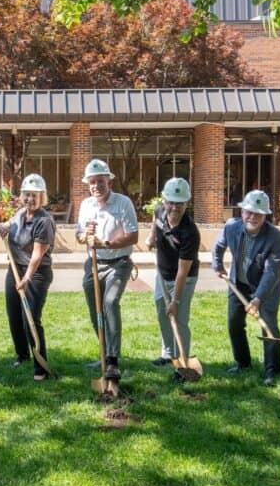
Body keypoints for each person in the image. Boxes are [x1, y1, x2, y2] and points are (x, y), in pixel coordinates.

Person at [212, 190, 280, 386]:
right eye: (249, 212)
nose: (252, 217)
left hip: (267, 289)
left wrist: (258, 298)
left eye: (258, 214)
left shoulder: (276, 238)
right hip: (239, 283)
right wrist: (217, 264)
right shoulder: (231, 227)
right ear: (242, 211)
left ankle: (273, 370)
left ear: (265, 216)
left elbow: (271, 273)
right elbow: (218, 246)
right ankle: (242, 363)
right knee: (234, 323)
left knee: (268, 325)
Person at [76, 159, 139, 381]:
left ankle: (112, 361)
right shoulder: (86, 205)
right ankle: (103, 351)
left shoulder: (123, 203)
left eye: (100, 181)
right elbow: (79, 235)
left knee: (110, 303)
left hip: (119, 263)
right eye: (92, 182)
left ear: (109, 181)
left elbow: (133, 235)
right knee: (96, 310)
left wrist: (106, 243)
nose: (96, 186)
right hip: (93, 263)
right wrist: (86, 236)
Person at [0, 173, 56, 381]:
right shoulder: (21, 214)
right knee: (14, 314)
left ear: (42, 197)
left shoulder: (44, 221)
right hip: (15, 268)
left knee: (30, 317)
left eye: (35, 195)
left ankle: (40, 366)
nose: (30, 199)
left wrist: (27, 279)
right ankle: (22, 354)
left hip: (37, 273)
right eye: (27, 195)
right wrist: (3, 228)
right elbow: (8, 226)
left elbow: (37, 255)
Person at [146, 178, 201, 378]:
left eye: (180, 203)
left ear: (187, 203)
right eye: (171, 202)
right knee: (162, 311)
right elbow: (156, 221)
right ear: (165, 200)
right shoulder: (161, 210)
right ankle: (168, 354)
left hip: (183, 279)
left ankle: (182, 360)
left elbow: (182, 271)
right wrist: (151, 238)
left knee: (179, 318)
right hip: (162, 272)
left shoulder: (190, 232)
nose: (174, 207)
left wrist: (176, 300)